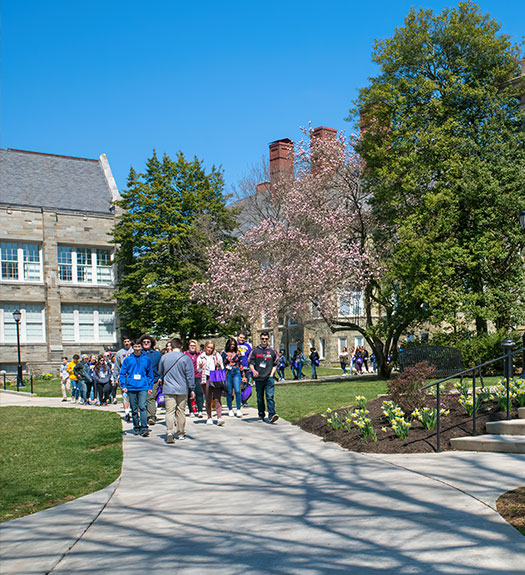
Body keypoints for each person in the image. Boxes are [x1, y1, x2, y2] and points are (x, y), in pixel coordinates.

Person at [159, 338, 195, 443]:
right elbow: (189, 375)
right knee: (181, 411)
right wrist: (191, 388)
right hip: (182, 388)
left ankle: (170, 431)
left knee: (169, 411)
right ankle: (181, 433)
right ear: (181, 346)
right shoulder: (186, 358)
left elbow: (160, 372)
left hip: (169, 388)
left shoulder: (164, 357)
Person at [120, 340, 154, 437]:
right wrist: (124, 385)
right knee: (134, 409)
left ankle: (144, 427)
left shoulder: (146, 359)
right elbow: (123, 373)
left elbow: (149, 374)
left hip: (143, 386)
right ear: (132, 347)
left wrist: (150, 386)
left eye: (139, 346)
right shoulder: (128, 360)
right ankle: (136, 426)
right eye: (135, 347)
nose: (137, 349)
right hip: (131, 387)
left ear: (141, 347)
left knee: (142, 407)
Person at [249, 331, 279, 423]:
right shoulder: (255, 350)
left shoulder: (272, 350)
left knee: (270, 396)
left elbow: (275, 363)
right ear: (260, 339)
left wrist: (272, 374)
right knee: (260, 397)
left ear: (268, 339)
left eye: (266, 339)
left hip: (268, 378)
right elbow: (250, 363)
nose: (264, 340)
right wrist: (253, 371)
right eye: (262, 339)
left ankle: (272, 414)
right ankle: (261, 414)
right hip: (259, 378)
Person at [197, 340, 225, 426]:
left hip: (215, 377)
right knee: (208, 398)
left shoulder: (217, 355)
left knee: (217, 398)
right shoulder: (201, 357)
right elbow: (198, 369)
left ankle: (219, 417)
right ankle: (209, 417)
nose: (209, 349)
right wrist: (200, 367)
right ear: (205, 347)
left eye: (211, 348)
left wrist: (219, 364)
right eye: (208, 347)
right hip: (206, 377)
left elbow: (222, 367)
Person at [139, 334, 162, 426]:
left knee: (151, 398)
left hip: (154, 379)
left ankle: (151, 416)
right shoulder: (139, 354)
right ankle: (144, 415)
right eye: (144, 342)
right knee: (142, 398)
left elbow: (161, 367)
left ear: (151, 343)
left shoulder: (157, 354)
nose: (146, 343)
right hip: (142, 379)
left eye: (147, 342)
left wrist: (160, 377)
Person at [221, 338, 245, 418]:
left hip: (236, 371)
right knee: (229, 391)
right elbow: (221, 364)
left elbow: (241, 364)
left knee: (238, 390)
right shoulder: (223, 353)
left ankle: (238, 409)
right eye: (231, 345)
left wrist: (243, 375)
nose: (232, 346)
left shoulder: (238, 353)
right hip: (227, 372)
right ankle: (230, 409)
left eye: (234, 345)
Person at [114, 336, 133, 420]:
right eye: (125, 341)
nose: (126, 343)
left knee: (133, 395)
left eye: (128, 341)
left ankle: (134, 411)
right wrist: (115, 377)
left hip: (133, 377)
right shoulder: (119, 353)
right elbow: (117, 366)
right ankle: (127, 412)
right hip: (124, 376)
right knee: (125, 395)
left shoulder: (134, 351)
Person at [185, 340, 204, 418]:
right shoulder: (185, 354)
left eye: (194, 346)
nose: (192, 347)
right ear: (188, 346)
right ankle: (191, 411)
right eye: (191, 345)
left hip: (198, 376)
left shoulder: (200, 354)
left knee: (199, 393)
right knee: (190, 394)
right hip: (188, 377)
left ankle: (200, 410)